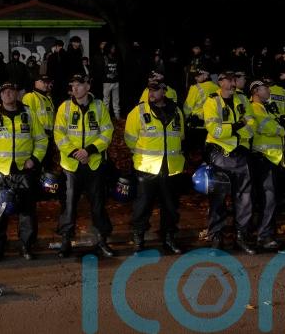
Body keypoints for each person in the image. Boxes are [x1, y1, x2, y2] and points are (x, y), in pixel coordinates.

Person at [0, 82, 47, 261]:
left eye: (11, 91)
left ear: (17, 93)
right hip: (0, 171)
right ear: (0, 95)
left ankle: (26, 246)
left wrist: (35, 159)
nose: (8, 94)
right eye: (4, 91)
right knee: (0, 212)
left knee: (27, 212)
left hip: (24, 171)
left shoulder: (29, 114)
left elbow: (41, 140)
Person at [53, 74, 115, 258]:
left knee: (98, 205)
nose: (75, 89)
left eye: (79, 85)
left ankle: (102, 240)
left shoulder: (99, 106)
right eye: (73, 86)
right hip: (71, 166)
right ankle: (65, 240)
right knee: (69, 205)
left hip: (93, 163)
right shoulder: (64, 107)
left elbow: (107, 132)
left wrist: (89, 151)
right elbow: (59, 135)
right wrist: (76, 153)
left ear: (88, 86)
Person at [124, 78, 186, 255]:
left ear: (164, 91)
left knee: (171, 207)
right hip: (147, 168)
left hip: (171, 167)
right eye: (150, 90)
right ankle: (138, 238)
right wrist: (141, 155)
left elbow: (180, 136)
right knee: (142, 206)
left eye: (156, 90)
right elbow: (129, 138)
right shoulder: (138, 112)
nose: (152, 93)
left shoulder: (176, 111)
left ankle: (169, 238)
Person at [203, 71, 257, 254]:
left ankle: (242, 237)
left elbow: (252, 124)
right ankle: (216, 237)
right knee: (218, 199)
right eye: (231, 79)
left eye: (236, 79)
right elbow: (214, 129)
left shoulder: (242, 100)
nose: (234, 83)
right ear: (221, 82)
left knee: (244, 198)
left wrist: (236, 131)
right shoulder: (212, 101)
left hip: (241, 153)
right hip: (220, 155)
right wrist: (237, 127)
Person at [248, 80, 285, 250]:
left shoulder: (269, 107)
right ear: (255, 91)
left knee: (270, 198)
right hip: (263, 158)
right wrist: (281, 126)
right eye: (264, 88)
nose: (269, 90)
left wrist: (282, 124)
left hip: (273, 158)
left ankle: (266, 234)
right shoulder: (253, 108)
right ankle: (264, 236)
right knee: (268, 198)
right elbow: (270, 127)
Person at [102, 43, 122, 119]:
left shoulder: (116, 57)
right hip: (107, 82)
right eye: (112, 48)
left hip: (115, 81)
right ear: (108, 48)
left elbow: (118, 68)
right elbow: (102, 69)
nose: (113, 49)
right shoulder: (104, 57)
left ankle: (117, 117)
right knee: (106, 101)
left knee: (116, 100)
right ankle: (106, 118)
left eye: (114, 48)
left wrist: (115, 74)